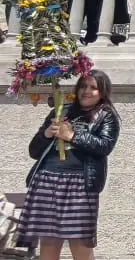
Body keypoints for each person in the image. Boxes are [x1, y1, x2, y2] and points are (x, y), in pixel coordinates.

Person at [21, 70, 120, 260]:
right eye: (83, 86)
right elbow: (34, 151)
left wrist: (72, 136)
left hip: (80, 186)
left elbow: (104, 146)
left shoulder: (106, 116)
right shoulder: (61, 110)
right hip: (47, 181)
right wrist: (47, 134)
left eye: (93, 88)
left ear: (103, 92)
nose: (86, 91)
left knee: (81, 244)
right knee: (48, 244)